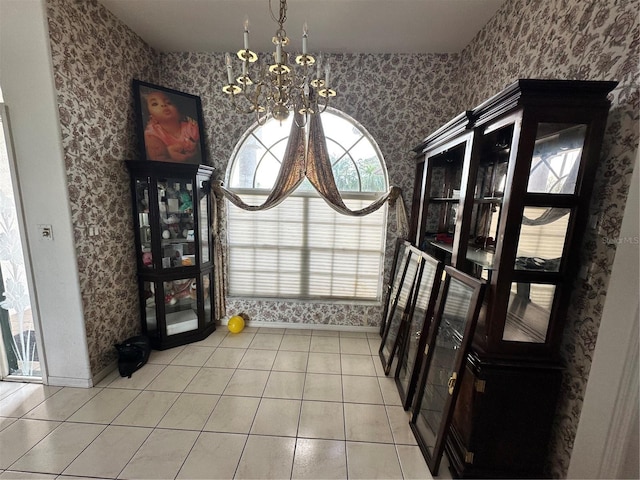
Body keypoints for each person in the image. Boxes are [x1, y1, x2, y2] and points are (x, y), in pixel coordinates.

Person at [142, 89, 201, 163]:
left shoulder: (191, 128)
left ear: (178, 112)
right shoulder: (152, 135)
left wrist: (195, 153)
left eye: (168, 102)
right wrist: (169, 154)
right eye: (155, 104)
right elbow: (158, 161)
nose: (163, 105)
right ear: (151, 118)